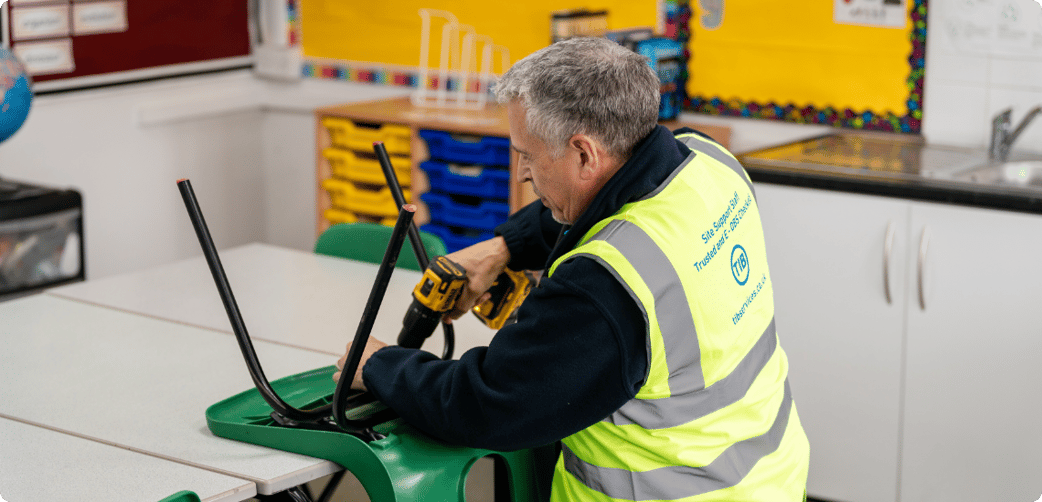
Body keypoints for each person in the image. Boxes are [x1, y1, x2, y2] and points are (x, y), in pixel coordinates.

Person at [335, 36, 810, 501]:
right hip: (771, 478)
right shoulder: (707, 161)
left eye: (527, 154)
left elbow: (488, 403)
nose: (521, 172)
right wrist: (503, 247)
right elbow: (610, 195)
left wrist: (379, 366)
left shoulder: (604, 283)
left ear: (584, 154)